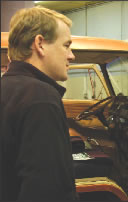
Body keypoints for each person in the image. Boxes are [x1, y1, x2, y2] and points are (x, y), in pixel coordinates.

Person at [0, 6, 77, 200]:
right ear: (40, 44)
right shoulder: (41, 98)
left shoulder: (6, 88)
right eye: (66, 45)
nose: (71, 56)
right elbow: (47, 189)